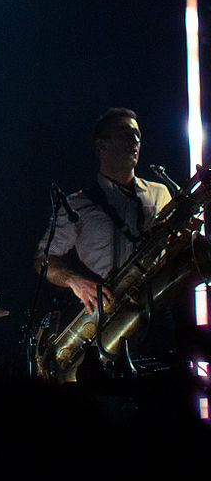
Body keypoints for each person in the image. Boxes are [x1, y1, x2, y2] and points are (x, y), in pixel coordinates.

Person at [34, 107, 175, 365]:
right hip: (104, 317)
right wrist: (75, 281)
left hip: (156, 313)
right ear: (102, 146)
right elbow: (44, 259)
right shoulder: (76, 203)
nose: (135, 141)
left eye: (138, 135)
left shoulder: (160, 194)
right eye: (125, 134)